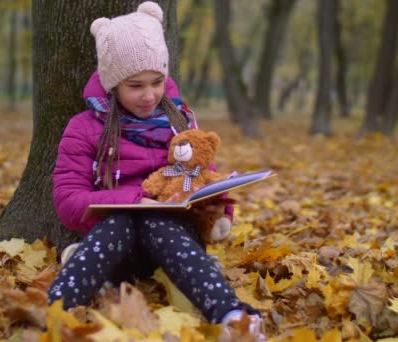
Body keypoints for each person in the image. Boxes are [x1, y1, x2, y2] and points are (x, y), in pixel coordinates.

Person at [47, 2, 266, 340]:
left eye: (157, 82)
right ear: (113, 83)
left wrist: (219, 209)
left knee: (157, 221)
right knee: (125, 220)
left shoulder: (181, 120)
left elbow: (205, 175)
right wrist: (136, 199)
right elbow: (67, 200)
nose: (149, 96)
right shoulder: (84, 128)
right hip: (115, 243)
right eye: (135, 85)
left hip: (176, 243)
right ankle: (53, 310)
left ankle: (233, 316)